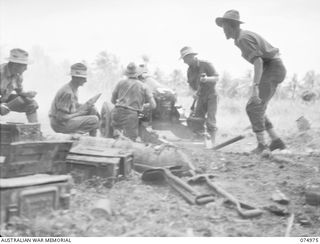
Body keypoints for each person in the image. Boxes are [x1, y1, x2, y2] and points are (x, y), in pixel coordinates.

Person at [215, 10, 287, 153]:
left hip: (272, 68)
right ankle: (276, 141)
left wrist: (255, 86)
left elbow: (258, 61)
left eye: (224, 27)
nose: (223, 31)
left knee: (254, 107)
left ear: (231, 26)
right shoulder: (241, 38)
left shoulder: (243, 38)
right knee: (258, 108)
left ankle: (262, 146)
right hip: (272, 68)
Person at [180, 46, 219, 146]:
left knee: (211, 121)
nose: (184, 62)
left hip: (211, 95)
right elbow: (190, 85)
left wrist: (207, 79)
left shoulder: (206, 64)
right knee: (198, 120)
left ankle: (212, 144)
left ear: (191, 56)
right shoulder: (189, 70)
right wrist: (193, 92)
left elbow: (216, 78)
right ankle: (201, 143)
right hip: (200, 97)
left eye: (185, 59)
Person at [49, 63, 99, 136]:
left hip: (64, 121)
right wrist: (79, 113)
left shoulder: (74, 89)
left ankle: (91, 138)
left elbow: (72, 106)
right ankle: (77, 135)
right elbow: (61, 117)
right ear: (76, 78)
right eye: (83, 78)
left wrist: (87, 106)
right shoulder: (67, 93)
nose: (85, 81)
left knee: (92, 109)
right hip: (59, 125)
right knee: (94, 120)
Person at [110, 62, 156, 141]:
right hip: (131, 116)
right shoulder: (144, 86)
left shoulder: (120, 83)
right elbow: (153, 105)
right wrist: (143, 107)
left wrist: (122, 105)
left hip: (116, 113)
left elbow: (112, 100)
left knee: (117, 137)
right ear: (137, 74)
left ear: (126, 73)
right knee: (130, 141)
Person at [0, 48, 38, 122]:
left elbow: (19, 91)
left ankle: (34, 130)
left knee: (31, 103)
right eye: (24, 65)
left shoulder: (18, 76)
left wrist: (26, 94)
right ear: (15, 65)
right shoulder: (1, 72)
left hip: (4, 100)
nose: (26, 68)